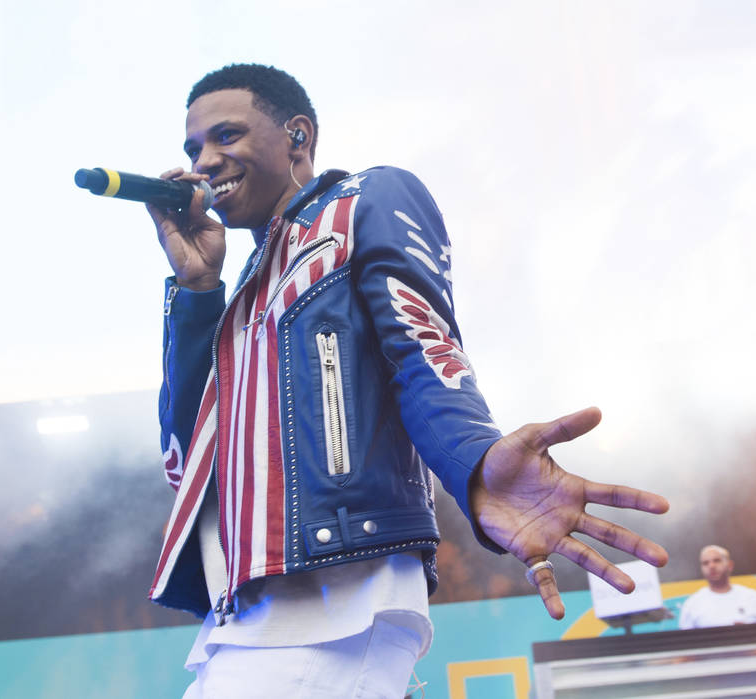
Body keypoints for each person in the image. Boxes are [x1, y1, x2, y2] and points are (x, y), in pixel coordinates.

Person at [145, 63, 670, 698]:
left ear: (297, 137)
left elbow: (420, 349)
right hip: (249, 608)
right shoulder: (238, 290)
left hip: (335, 595)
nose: (204, 161)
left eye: (225, 136)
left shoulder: (364, 201)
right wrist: (197, 289)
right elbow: (187, 459)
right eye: (193, 148)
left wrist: (475, 463)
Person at [678, 545, 756, 630]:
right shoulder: (692, 604)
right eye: (705, 563)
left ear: (730, 565)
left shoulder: (754, 598)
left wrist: (750, 632)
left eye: (717, 561)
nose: (711, 566)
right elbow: (683, 645)